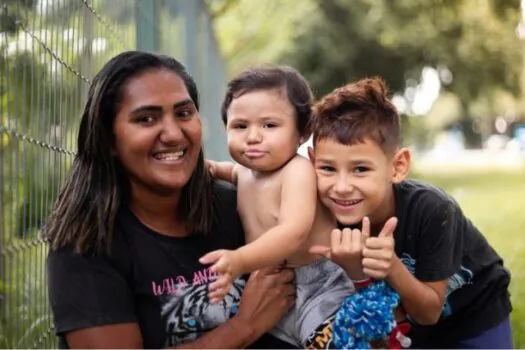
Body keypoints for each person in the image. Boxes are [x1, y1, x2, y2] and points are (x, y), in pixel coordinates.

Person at [44, 51, 297, 349]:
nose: (174, 134)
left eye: (183, 113)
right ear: (109, 139)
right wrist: (243, 327)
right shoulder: (84, 246)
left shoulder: (237, 205)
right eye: (146, 119)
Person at [307, 77, 513, 348]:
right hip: (409, 320)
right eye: (327, 169)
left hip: (474, 311)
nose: (341, 187)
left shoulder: (433, 209)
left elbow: (429, 313)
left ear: (398, 166)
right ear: (311, 162)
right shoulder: (327, 214)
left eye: (360, 169)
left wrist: (392, 266)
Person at [204, 66, 392, 348]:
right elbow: (228, 171)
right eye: (240, 126)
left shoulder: (297, 171)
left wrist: (240, 260)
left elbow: (293, 231)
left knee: (330, 342)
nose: (253, 136)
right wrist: (207, 169)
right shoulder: (244, 173)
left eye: (269, 125)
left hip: (317, 284)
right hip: (272, 285)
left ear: (303, 133)